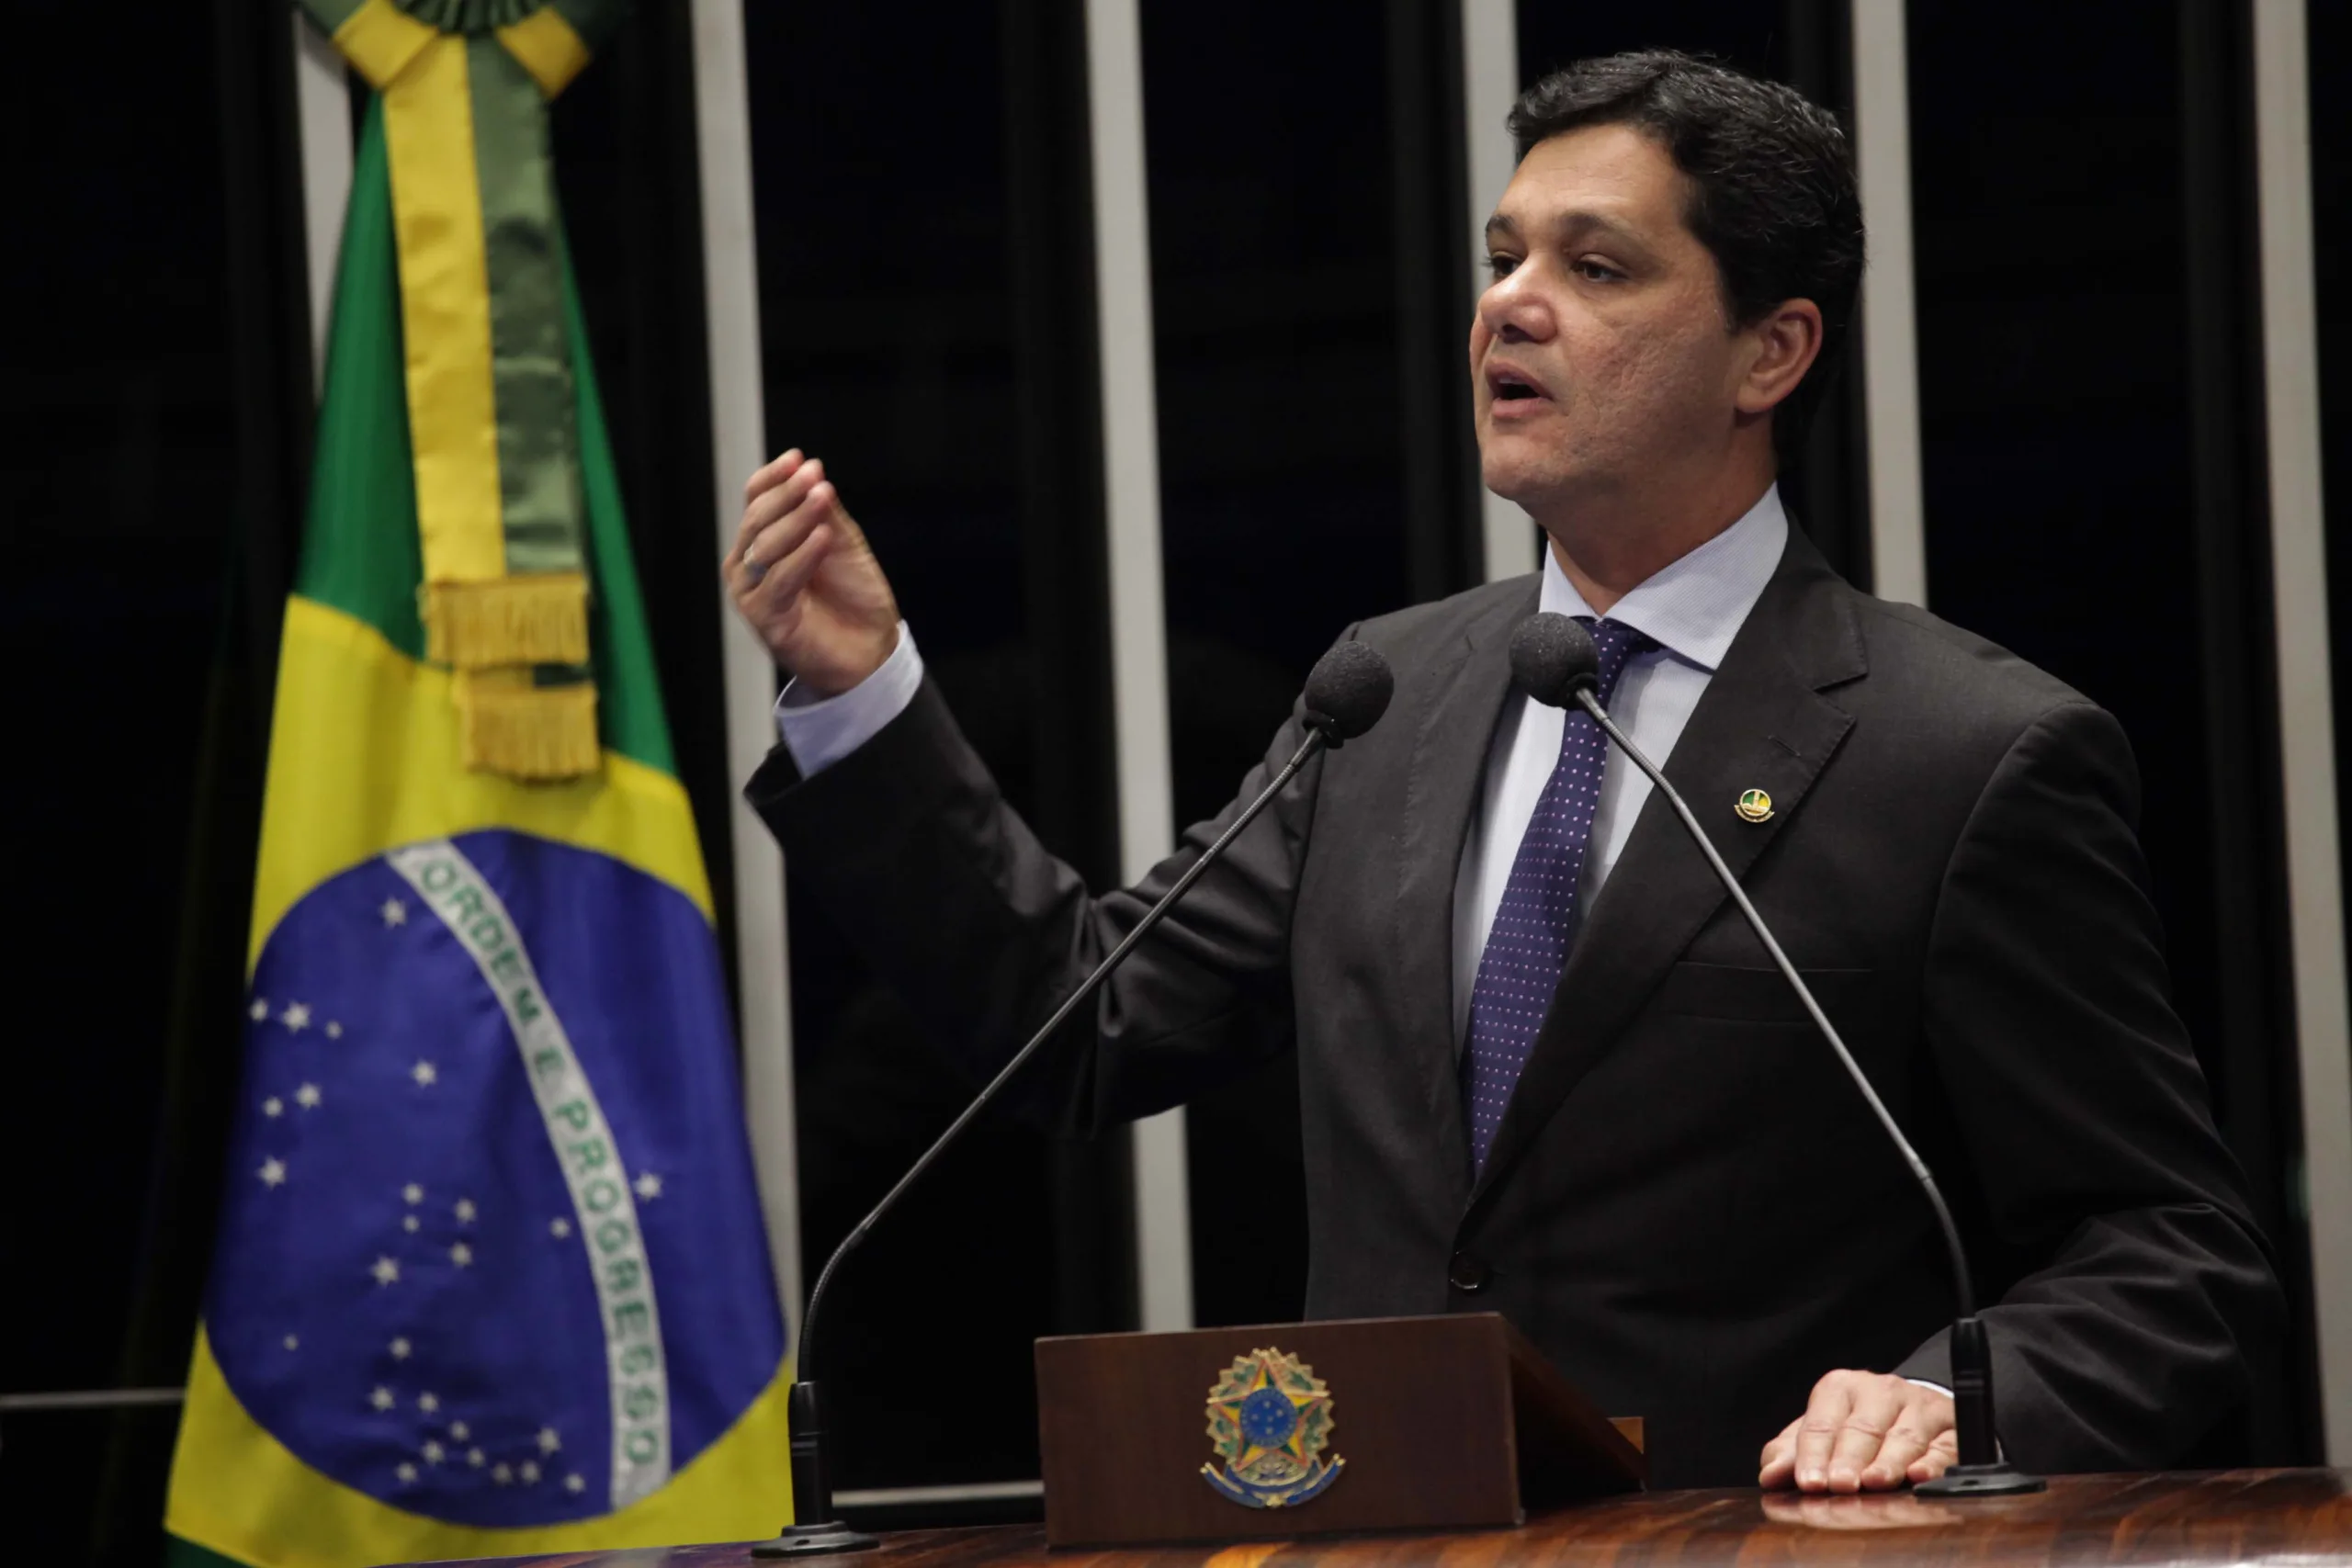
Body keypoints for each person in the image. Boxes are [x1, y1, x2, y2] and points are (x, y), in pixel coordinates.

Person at [722, 51, 2278, 1492]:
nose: (1509, 307)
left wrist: (1959, 1389)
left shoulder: (1965, 750)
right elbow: (1080, 1022)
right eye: (1503, 257)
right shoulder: (1382, 697)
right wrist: (865, 694)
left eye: (1593, 267)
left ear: (1771, 349)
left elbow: (2171, 1247)